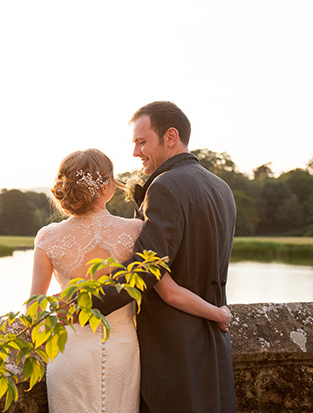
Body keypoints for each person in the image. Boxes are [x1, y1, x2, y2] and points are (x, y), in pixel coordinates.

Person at [29, 148, 232, 413]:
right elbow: (170, 292)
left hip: (69, 352)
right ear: (105, 187)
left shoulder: (47, 237)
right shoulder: (135, 231)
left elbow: (33, 309)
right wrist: (217, 313)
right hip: (121, 352)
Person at [92, 101, 238, 412]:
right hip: (213, 344)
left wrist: (85, 302)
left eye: (142, 142)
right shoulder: (222, 188)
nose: (135, 152)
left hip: (172, 352)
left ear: (170, 136)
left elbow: (146, 268)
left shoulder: (165, 186)